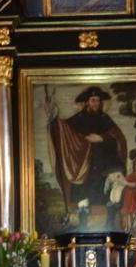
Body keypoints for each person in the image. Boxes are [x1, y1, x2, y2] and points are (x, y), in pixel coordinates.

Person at [49, 86, 127, 214]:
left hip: (102, 164)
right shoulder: (78, 118)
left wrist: (101, 138)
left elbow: (118, 139)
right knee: (83, 198)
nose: (96, 103)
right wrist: (53, 118)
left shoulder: (105, 118)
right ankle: (82, 216)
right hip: (83, 164)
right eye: (93, 100)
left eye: (98, 100)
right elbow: (63, 129)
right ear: (86, 102)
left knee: (101, 197)